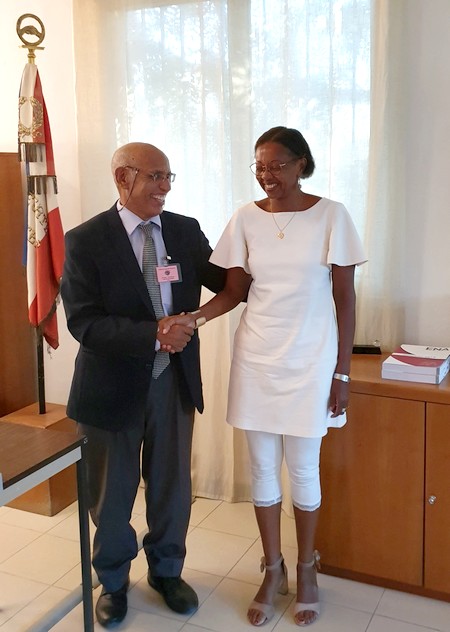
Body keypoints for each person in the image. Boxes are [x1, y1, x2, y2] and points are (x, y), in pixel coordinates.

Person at [161, 126, 366, 627]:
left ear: (301, 165)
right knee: (261, 469)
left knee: (304, 470)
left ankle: (307, 567)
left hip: (311, 360)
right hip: (257, 356)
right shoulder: (245, 218)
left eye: (277, 165)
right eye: (259, 166)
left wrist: (342, 373)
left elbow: (344, 300)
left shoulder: (332, 215)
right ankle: (272, 569)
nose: (267, 175)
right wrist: (193, 319)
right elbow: (234, 292)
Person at [61, 142, 226, 628]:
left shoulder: (184, 230)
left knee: (172, 485)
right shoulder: (86, 239)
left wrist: (267, 244)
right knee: (111, 494)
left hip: (172, 382)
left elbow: (227, 280)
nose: (164, 186)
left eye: (169, 177)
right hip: (110, 387)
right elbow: (84, 322)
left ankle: (167, 571)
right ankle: (113, 581)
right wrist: (153, 334)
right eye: (155, 176)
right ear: (123, 177)